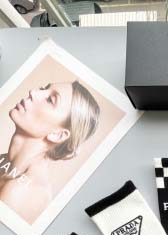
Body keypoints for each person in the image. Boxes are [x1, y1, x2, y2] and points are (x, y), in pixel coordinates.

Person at [0, 81, 100, 224]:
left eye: (50, 100)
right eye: (43, 88)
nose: (33, 92)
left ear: (58, 135)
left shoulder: (20, 192)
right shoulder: (4, 162)